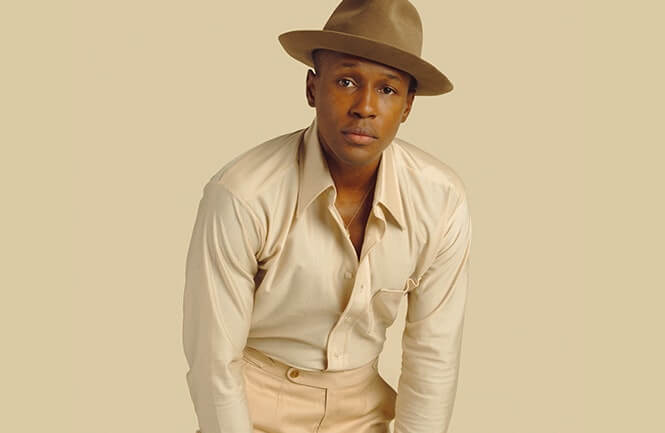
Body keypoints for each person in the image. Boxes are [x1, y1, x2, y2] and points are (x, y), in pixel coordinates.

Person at [182, 1, 473, 432]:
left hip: (364, 411)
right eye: (347, 81)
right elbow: (213, 360)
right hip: (252, 406)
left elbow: (434, 355)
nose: (365, 106)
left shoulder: (440, 200)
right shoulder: (243, 194)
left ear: (408, 106)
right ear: (312, 88)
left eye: (387, 90)